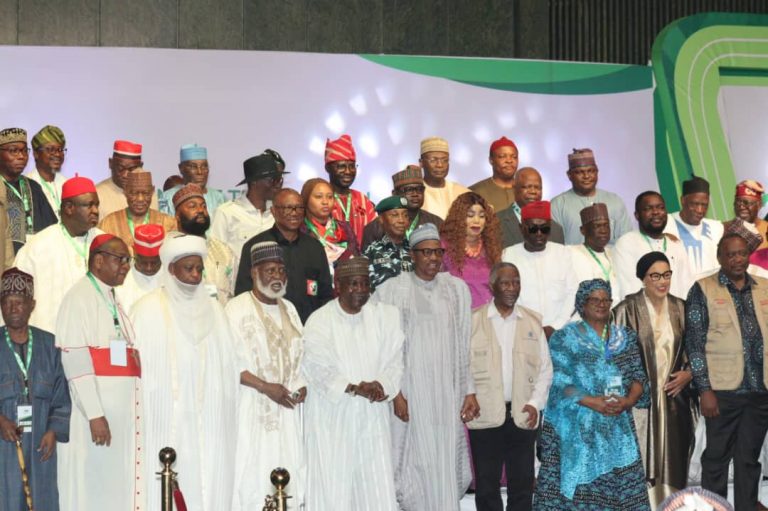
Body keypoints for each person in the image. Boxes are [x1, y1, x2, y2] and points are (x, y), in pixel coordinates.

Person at [132, 233, 241, 511]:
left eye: (199, 269)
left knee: (209, 478)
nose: (195, 275)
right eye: (188, 268)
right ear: (170, 269)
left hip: (210, 419)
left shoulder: (216, 310)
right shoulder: (146, 310)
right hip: (165, 415)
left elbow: (229, 367)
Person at [374, 223, 479, 511]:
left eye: (437, 252)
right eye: (426, 252)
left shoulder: (456, 290)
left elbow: (463, 344)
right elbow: (382, 350)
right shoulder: (390, 291)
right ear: (412, 255)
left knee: (444, 454)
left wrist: (469, 390)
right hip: (410, 390)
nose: (433, 258)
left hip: (447, 390)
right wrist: (395, 393)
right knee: (413, 460)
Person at [533, 279, 650, 511]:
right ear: (582, 304)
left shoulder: (624, 337)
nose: (601, 304)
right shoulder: (563, 338)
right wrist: (593, 402)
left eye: (606, 299)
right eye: (595, 300)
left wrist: (627, 401)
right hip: (577, 431)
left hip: (616, 428)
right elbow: (560, 381)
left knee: (621, 492)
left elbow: (639, 377)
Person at [301, 257, 404, 510]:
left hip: (372, 416)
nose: (360, 290)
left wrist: (382, 384)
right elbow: (315, 366)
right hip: (333, 417)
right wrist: (353, 388)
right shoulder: (320, 319)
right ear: (338, 285)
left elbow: (395, 360)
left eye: (365, 284)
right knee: (334, 487)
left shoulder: (385, 316)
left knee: (376, 486)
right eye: (354, 284)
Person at [55, 234, 143, 511]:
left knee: (114, 484)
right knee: (94, 486)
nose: (126, 266)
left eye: (128, 260)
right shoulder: (78, 297)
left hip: (118, 414)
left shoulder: (110, 296)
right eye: (121, 259)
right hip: (96, 416)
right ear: (99, 260)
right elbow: (76, 360)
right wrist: (94, 414)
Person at [684, 232, 768, 510]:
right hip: (722, 392)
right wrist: (704, 390)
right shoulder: (703, 289)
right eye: (730, 254)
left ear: (748, 255)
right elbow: (694, 344)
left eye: (742, 253)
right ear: (719, 257)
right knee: (716, 459)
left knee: (748, 459)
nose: (737, 259)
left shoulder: (765, 287)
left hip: (760, 389)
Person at [225, 241, 307, 510]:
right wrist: (264, 387)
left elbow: (301, 355)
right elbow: (229, 363)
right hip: (253, 408)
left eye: (281, 271)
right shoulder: (235, 309)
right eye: (270, 270)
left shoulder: (290, 309)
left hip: (288, 410)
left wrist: (302, 385)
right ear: (254, 272)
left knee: (291, 468)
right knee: (253, 473)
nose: (277, 277)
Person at [467, 262, 553, 511]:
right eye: (505, 282)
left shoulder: (532, 321)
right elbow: (462, 365)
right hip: (484, 414)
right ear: (492, 286)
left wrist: (535, 403)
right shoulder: (473, 321)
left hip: (522, 415)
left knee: (522, 485)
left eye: (516, 282)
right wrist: (469, 394)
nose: (512, 288)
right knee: (486, 486)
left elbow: (545, 370)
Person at [613, 252, 695, 506]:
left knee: (673, 463)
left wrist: (690, 373)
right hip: (639, 403)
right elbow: (612, 360)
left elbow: (698, 349)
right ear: (643, 278)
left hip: (675, 401)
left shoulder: (682, 308)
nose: (663, 281)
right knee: (638, 463)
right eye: (655, 276)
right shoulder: (626, 310)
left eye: (667, 274)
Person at [0, 268, 70, 511]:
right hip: (4, 447)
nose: (12, 308)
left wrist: (53, 431)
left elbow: (61, 397)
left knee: (42, 501)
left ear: (32, 305)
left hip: (41, 445)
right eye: (6, 303)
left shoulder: (50, 345)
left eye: (18, 302)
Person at [15, 175, 103, 333]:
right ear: (69, 208)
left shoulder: (105, 243)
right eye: (89, 205)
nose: (96, 211)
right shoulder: (38, 247)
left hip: (96, 336)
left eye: (97, 205)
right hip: (51, 341)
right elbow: (15, 297)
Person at [235, 188, 332, 323]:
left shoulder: (315, 247)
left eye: (299, 208)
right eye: (288, 208)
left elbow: (325, 294)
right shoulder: (256, 246)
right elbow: (243, 294)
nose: (295, 213)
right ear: (274, 211)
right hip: (268, 327)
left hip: (310, 327)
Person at [502, 200, 577, 338]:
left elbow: (573, 292)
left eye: (545, 229)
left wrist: (555, 326)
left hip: (560, 332)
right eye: (532, 228)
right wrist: (528, 326)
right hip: (521, 332)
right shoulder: (508, 255)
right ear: (521, 228)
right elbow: (507, 296)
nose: (539, 233)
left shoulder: (563, 253)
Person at [614, 191, 694, 301]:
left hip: (679, 312)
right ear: (637, 215)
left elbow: (687, 284)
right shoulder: (626, 243)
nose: (656, 212)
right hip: (645, 314)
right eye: (648, 209)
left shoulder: (675, 243)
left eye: (660, 208)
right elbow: (629, 288)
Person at [550, 148, 633, 245]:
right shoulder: (557, 205)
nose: (586, 176)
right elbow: (555, 246)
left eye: (591, 171)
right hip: (572, 259)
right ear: (569, 175)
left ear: (597, 172)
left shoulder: (614, 201)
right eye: (579, 172)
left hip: (611, 259)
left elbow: (626, 241)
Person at [210, 152, 283, 258]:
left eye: (279, 180)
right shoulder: (226, 213)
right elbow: (215, 258)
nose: (278, 185)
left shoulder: (279, 212)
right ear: (254, 182)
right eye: (273, 180)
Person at [173, 183, 235, 305]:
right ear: (177, 216)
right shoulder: (170, 251)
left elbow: (233, 293)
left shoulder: (224, 250)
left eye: (204, 206)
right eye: (192, 206)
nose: (200, 210)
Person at [440, 191, 501, 308]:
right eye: (470, 215)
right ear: (458, 218)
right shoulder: (444, 248)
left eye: (482, 216)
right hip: (457, 318)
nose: (477, 221)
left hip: (487, 318)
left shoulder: (491, 248)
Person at [0, 127, 57, 253]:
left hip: (35, 263)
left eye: (24, 151)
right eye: (13, 151)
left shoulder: (33, 187)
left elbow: (52, 230)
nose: (21, 156)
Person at [361, 164, 443, 249]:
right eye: (409, 190)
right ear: (395, 194)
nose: (415, 194)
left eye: (419, 189)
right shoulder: (376, 226)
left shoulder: (436, 223)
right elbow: (367, 259)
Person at [98, 169, 176, 253]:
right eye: (134, 193)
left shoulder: (168, 223)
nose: (140, 199)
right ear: (125, 192)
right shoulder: (108, 223)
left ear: (152, 191)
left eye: (146, 193)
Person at [663, 177, 723, 278]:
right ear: (683, 200)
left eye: (704, 205)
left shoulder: (715, 227)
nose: (700, 210)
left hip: (712, 289)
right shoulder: (666, 223)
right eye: (695, 204)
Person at [324, 134, 376, 247]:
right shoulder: (322, 198)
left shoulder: (362, 200)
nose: (348, 171)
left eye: (352, 166)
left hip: (363, 262)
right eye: (341, 166)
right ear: (327, 168)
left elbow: (375, 234)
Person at [300, 177, 359, 273]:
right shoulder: (300, 230)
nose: (325, 202)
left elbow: (356, 257)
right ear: (306, 200)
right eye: (319, 197)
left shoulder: (344, 227)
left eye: (330, 197)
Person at [496, 167, 565, 247]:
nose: (533, 192)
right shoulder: (495, 222)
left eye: (537, 187)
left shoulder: (556, 229)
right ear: (514, 188)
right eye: (527, 187)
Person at [569, 203, 621, 304]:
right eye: (597, 226)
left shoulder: (614, 254)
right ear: (583, 230)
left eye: (606, 225)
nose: (603, 231)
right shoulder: (572, 253)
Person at [96, 140, 159, 220]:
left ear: (141, 166)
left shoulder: (150, 195)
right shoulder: (97, 194)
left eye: (131, 169)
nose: (125, 175)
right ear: (110, 163)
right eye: (120, 168)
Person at [161, 143, 228, 219]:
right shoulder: (167, 197)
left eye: (204, 166)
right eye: (193, 167)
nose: (200, 172)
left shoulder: (220, 198)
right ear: (181, 168)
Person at [363, 195, 412, 291]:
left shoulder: (417, 250)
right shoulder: (371, 252)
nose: (401, 220)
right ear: (381, 219)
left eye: (405, 215)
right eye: (395, 215)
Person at [115, 223, 165, 312]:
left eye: (154, 263)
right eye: (143, 262)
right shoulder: (119, 280)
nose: (149, 268)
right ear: (134, 252)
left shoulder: (173, 278)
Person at [419, 137, 470, 219]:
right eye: (433, 160)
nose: (440, 165)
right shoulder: (415, 193)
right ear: (421, 163)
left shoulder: (462, 192)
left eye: (445, 160)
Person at [27, 125, 67, 218]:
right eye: (50, 149)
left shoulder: (67, 184)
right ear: (36, 154)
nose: (57, 154)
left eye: (60, 149)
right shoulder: (27, 186)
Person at [469, 136, 519, 212]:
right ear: (491, 160)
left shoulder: (525, 191)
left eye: (514, 157)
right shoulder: (475, 192)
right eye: (502, 157)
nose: (509, 161)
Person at [725, 179, 768, 251]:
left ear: (759, 205)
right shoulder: (724, 228)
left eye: (747, 202)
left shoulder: (766, 229)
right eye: (738, 202)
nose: (741, 207)